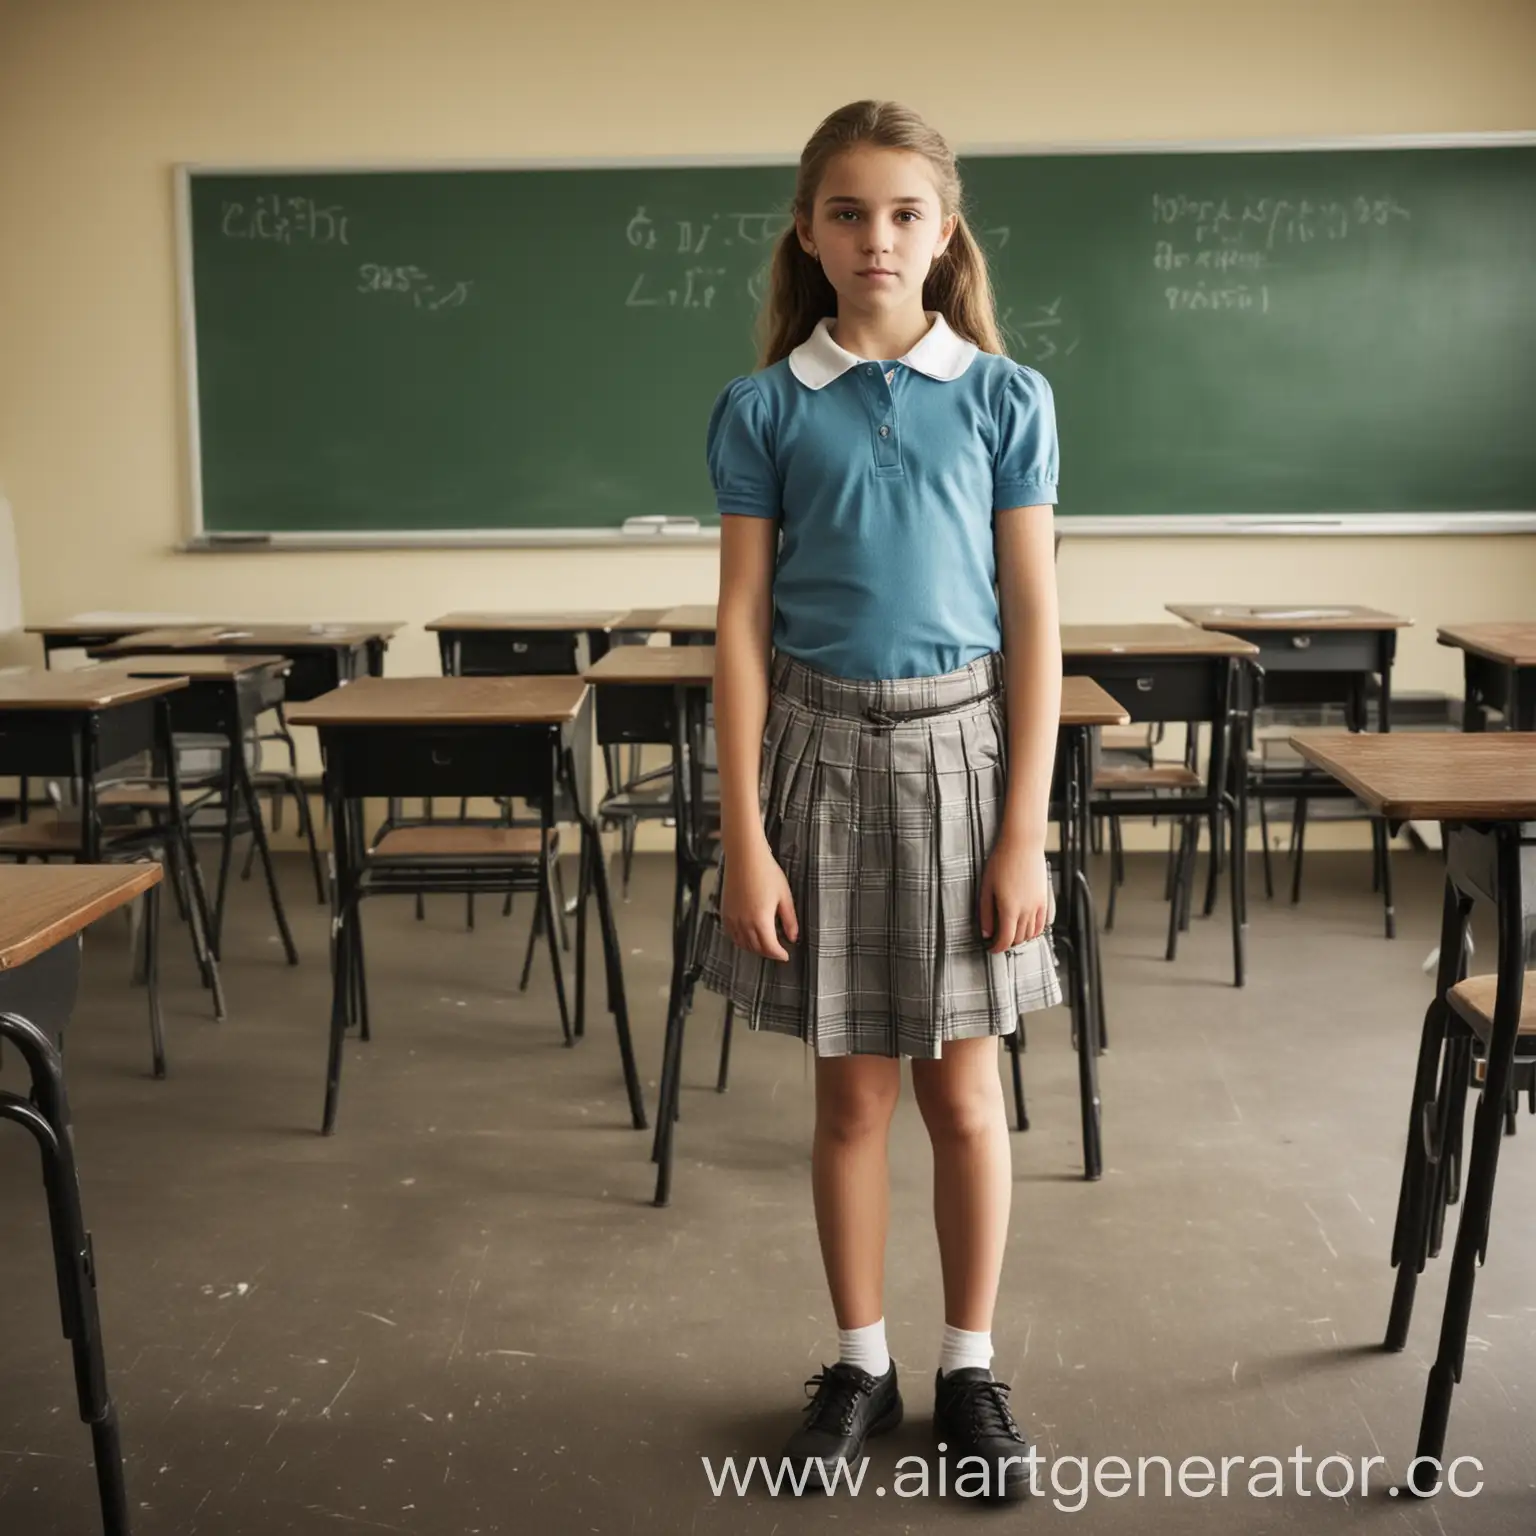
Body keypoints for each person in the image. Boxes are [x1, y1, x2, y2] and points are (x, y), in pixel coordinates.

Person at [692, 98, 1063, 1501]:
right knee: (849, 1100)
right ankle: (862, 1360)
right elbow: (737, 628)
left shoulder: (1006, 399)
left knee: (967, 1098)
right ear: (808, 231)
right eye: (847, 212)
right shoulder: (765, 407)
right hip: (816, 760)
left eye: (905, 212)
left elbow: (1032, 625)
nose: (877, 238)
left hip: (965, 764)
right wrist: (745, 833)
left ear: (944, 229)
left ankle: (969, 1365)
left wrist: (1022, 831)